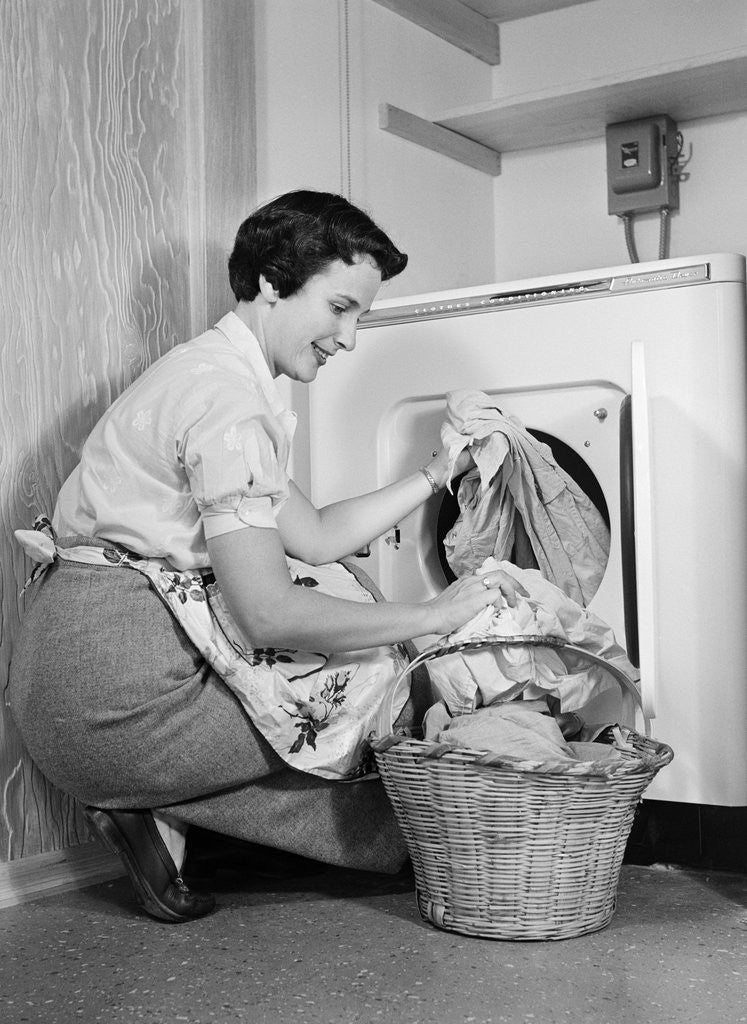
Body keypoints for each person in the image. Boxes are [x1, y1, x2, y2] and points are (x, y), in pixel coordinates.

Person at [9, 190, 523, 923]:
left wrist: (436, 472)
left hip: (68, 684)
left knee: (350, 622)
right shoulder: (228, 405)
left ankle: (165, 816)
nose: (348, 339)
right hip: (111, 705)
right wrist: (436, 615)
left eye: (360, 318)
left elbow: (311, 534)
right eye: (340, 308)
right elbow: (268, 612)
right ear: (272, 282)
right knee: (380, 671)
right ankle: (153, 798)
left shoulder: (208, 374)